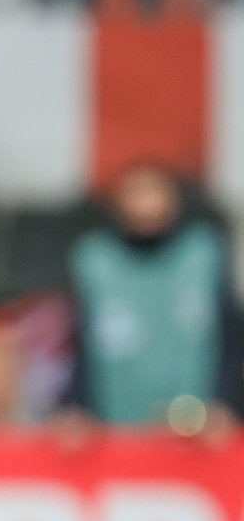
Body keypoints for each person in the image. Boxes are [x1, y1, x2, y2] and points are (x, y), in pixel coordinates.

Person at [62, 164, 243, 432]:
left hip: (198, 425)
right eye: (136, 193)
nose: (147, 204)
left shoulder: (203, 253)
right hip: (118, 422)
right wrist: (76, 407)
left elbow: (230, 337)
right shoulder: (95, 262)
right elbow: (82, 344)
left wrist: (225, 403)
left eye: (155, 191)